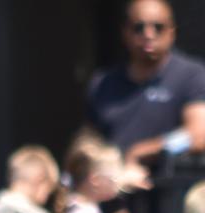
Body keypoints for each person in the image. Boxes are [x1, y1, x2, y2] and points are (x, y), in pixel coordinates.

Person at [86, 0, 205, 168]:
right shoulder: (103, 83)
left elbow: (199, 134)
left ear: (172, 32)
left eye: (158, 27)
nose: (148, 34)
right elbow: (90, 139)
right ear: (125, 32)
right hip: (115, 185)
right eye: (139, 27)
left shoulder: (191, 75)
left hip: (168, 187)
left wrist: (148, 151)